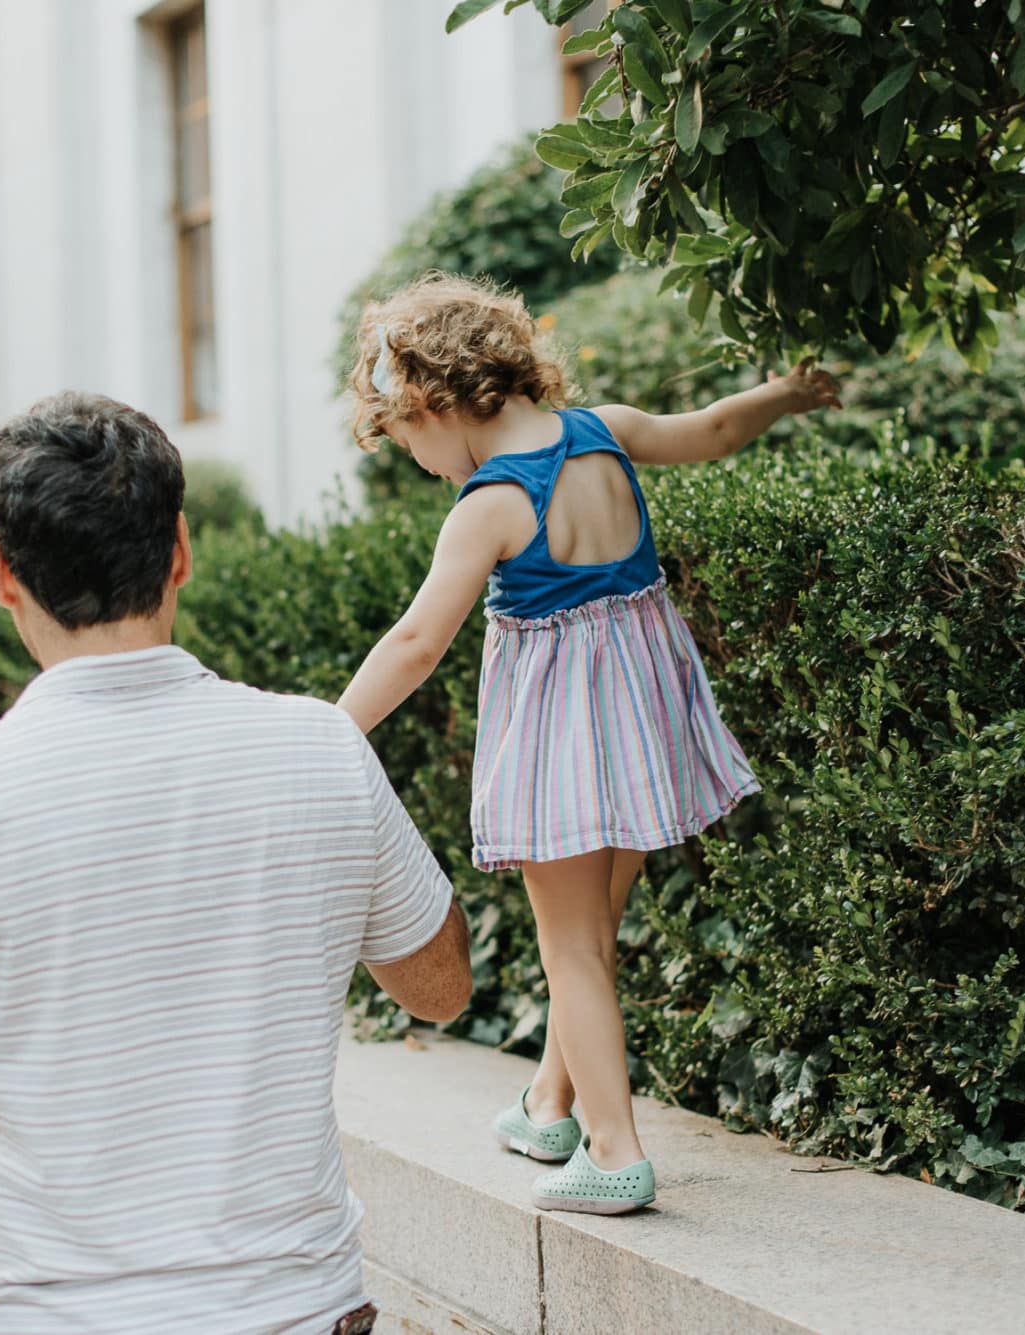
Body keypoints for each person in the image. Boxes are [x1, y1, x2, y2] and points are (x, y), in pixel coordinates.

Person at [0, 392, 472, 1335]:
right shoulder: (320, 748)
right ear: (181, 548)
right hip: (298, 1312)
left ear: (2, 572)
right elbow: (439, 988)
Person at [336, 275, 840, 1215]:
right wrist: (784, 393)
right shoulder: (604, 430)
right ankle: (549, 1103)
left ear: (435, 401)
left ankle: (614, 1150)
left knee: (570, 949)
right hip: (643, 733)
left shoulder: (490, 503)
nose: (418, 460)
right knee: (592, 936)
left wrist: (330, 732)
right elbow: (715, 430)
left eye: (406, 439)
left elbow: (415, 642)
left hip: (567, 749)